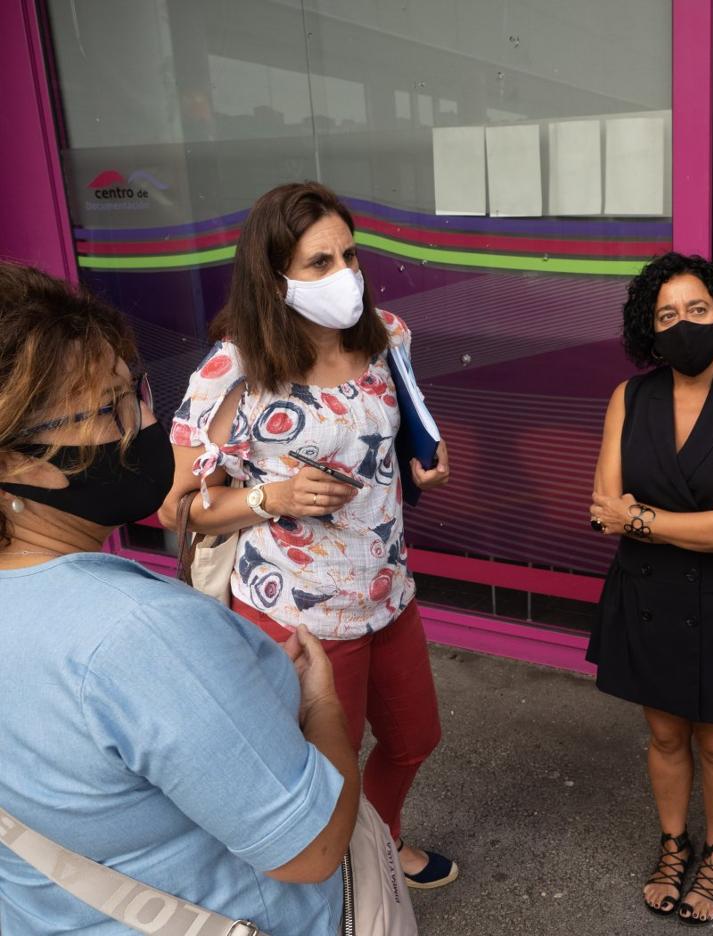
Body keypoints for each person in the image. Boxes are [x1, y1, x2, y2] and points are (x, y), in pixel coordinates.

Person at [0, 261, 358, 934]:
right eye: (111, 409)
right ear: (15, 461)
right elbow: (314, 848)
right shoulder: (139, 635)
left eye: (133, 390)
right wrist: (323, 710)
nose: (145, 418)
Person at [158, 181, 456, 889]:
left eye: (348, 256)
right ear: (274, 276)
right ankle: (338, 885)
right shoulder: (235, 373)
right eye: (318, 263)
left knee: (416, 740)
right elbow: (180, 507)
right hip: (301, 615)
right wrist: (272, 496)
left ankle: (375, 850)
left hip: (389, 594)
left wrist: (427, 459)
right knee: (324, 767)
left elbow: (404, 429)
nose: (343, 275)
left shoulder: (387, 336)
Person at [587, 252, 713, 926]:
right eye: (666, 315)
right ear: (650, 329)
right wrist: (697, 521)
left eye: (697, 310)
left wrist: (643, 519)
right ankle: (673, 846)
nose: (683, 325)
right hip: (647, 595)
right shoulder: (630, 397)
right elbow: (602, 505)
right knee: (666, 736)